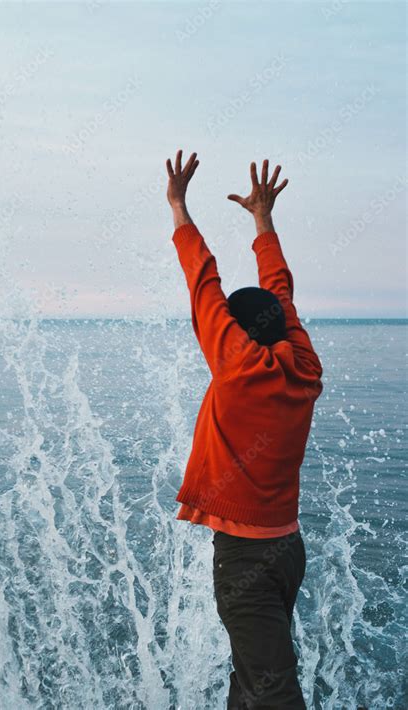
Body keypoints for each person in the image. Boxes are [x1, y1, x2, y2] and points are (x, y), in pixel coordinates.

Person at [166, 150, 324, 709]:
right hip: (287, 546)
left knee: (272, 687)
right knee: (252, 676)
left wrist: (179, 205)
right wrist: (263, 221)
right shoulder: (304, 369)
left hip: (245, 559)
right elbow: (280, 295)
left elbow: (201, 279)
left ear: (235, 332)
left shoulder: (236, 367)